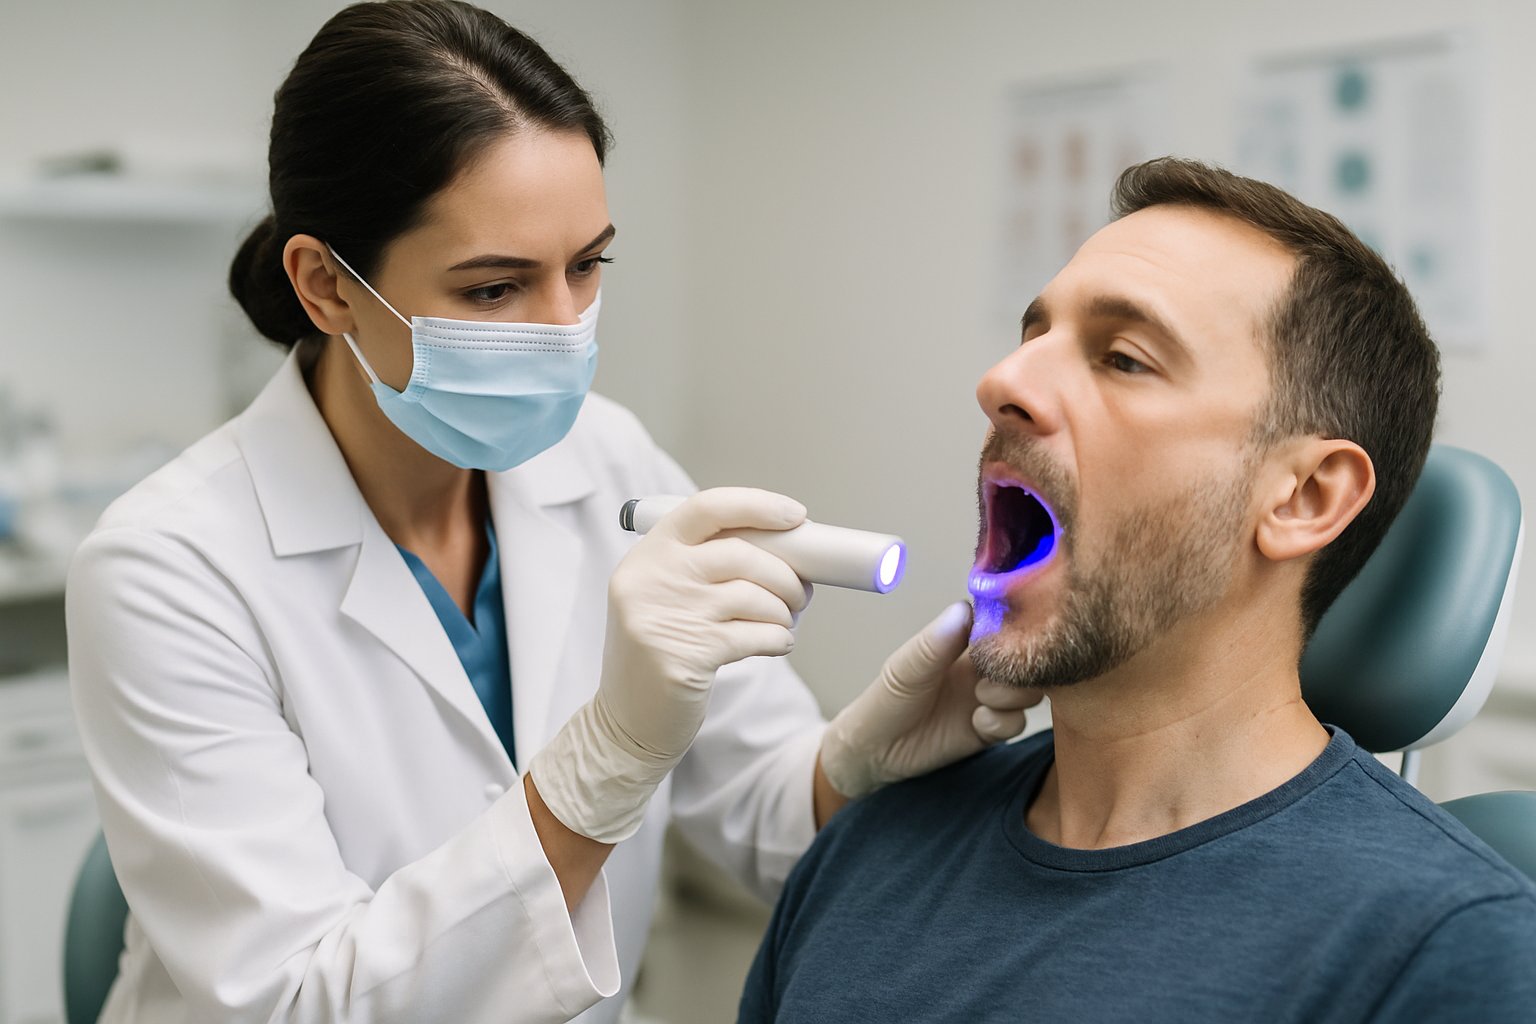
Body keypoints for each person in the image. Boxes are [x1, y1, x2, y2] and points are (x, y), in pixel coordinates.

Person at [63, 3, 1038, 1021]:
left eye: (587, 266)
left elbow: (764, 819)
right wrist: (603, 765)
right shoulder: (165, 565)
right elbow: (298, 1002)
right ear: (325, 286)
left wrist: (853, 765)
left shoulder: (601, 456)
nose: (564, 333)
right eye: (495, 290)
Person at [739, 158, 1536, 1023]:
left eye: (1123, 358)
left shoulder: (1451, 952)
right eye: (1031, 335)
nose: (1003, 382)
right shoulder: (870, 847)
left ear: (1305, 498)